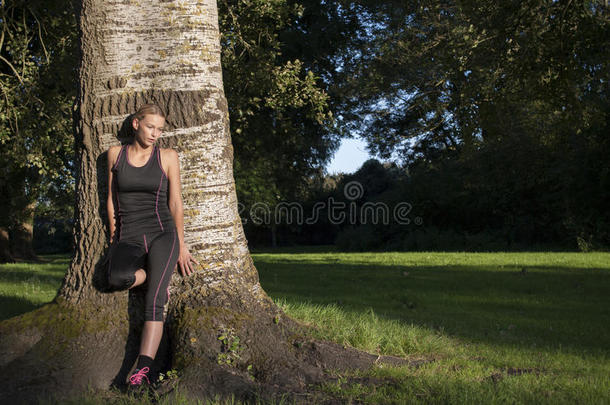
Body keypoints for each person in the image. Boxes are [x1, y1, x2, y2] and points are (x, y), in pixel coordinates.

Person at [105, 104, 199, 390]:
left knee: (155, 301)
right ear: (136, 124)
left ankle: (141, 371)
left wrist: (181, 246)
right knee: (115, 278)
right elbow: (110, 198)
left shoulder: (167, 157)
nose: (155, 134)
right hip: (129, 237)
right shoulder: (115, 154)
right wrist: (113, 236)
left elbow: (175, 203)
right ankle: (151, 272)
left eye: (160, 129)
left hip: (162, 234)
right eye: (150, 127)